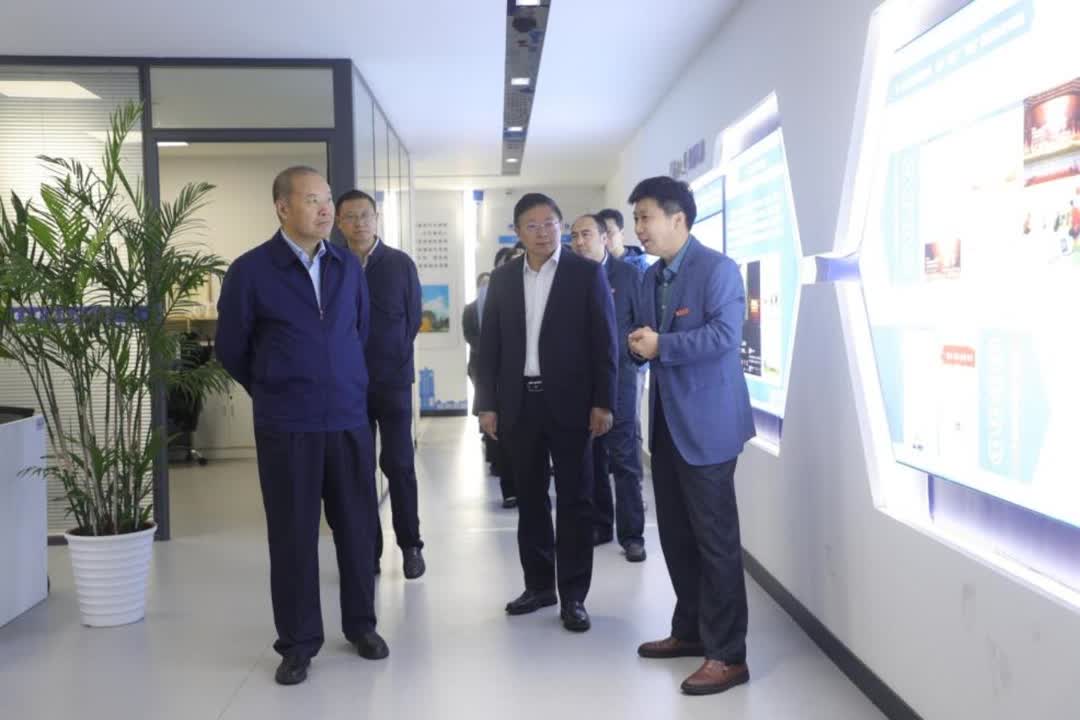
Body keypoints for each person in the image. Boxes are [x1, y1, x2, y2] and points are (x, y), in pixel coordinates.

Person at [216, 166, 387, 687]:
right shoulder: (251, 271)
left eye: (327, 198)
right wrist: (276, 386)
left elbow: (359, 331)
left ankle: (361, 625)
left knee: (357, 528)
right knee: (292, 536)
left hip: (348, 419)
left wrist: (343, 382)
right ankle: (297, 643)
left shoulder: (346, 265)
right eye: (312, 199)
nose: (326, 208)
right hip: (287, 425)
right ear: (282, 207)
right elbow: (232, 349)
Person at [626, 176, 755, 696]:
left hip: (709, 425)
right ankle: (691, 630)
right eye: (636, 219)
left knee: (715, 542)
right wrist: (637, 346)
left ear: (678, 218)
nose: (639, 228)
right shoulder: (650, 277)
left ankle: (728, 655)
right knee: (677, 537)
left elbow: (724, 336)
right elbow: (644, 336)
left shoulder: (717, 270)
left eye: (646, 217)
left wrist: (661, 346)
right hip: (666, 425)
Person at [476, 193, 617, 633]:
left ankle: (573, 596)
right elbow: (489, 346)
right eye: (532, 226)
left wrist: (604, 402)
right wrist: (487, 404)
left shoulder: (585, 273)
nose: (542, 233)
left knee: (576, 499)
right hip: (520, 403)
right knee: (531, 498)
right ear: (518, 232)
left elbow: (605, 342)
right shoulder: (503, 279)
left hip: (573, 405)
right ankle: (538, 586)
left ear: (561, 225)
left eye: (550, 223)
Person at [336, 189, 426, 580]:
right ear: (339, 222)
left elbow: (412, 320)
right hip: (346, 386)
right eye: (351, 217)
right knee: (356, 471)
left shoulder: (399, 264)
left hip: (392, 383)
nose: (359, 223)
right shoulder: (333, 264)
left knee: (399, 464)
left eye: (365, 215)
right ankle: (367, 551)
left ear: (377, 219)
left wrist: (391, 357)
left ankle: (411, 546)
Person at [568, 214, 647, 562]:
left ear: (604, 238)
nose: (579, 242)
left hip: (620, 382)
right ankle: (601, 524)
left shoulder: (628, 275)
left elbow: (643, 325)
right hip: (580, 384)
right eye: (574, 236)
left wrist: (629, 358)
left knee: (624, 458)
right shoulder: (567, 278)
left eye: (586, 234)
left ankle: (633, 535)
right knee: (592, 458)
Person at [464, 272, 516, 507]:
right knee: (499, 426)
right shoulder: (470, 309)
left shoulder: (512, 305)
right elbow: (470, 335)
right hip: (483, 368)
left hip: (512, 375)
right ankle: (507, 484)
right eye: (483, 284)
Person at [598, 207, 650, 275]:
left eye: (608, 232)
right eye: (600, 233)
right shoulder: (595, 264)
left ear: (622, 234)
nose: (604, 238)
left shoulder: (641, 268)